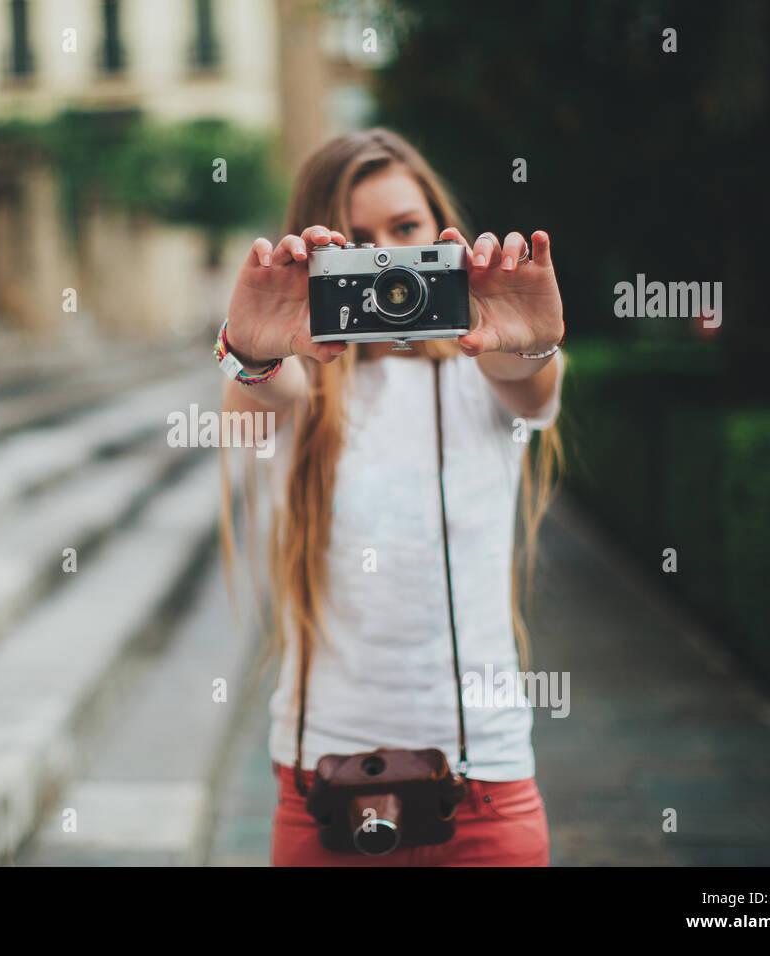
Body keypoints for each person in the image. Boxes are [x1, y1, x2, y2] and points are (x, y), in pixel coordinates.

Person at [217, 128, 566, 866]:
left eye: (405, 231)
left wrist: (529, 342)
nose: (387, 263)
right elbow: (253, 396)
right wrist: (251, 351)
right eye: (355, 241)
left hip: (486, 787)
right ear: (316, 256)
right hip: (323, 786)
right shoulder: (299, 381)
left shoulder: (485, 371)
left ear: (441, 232)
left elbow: (530, 378)